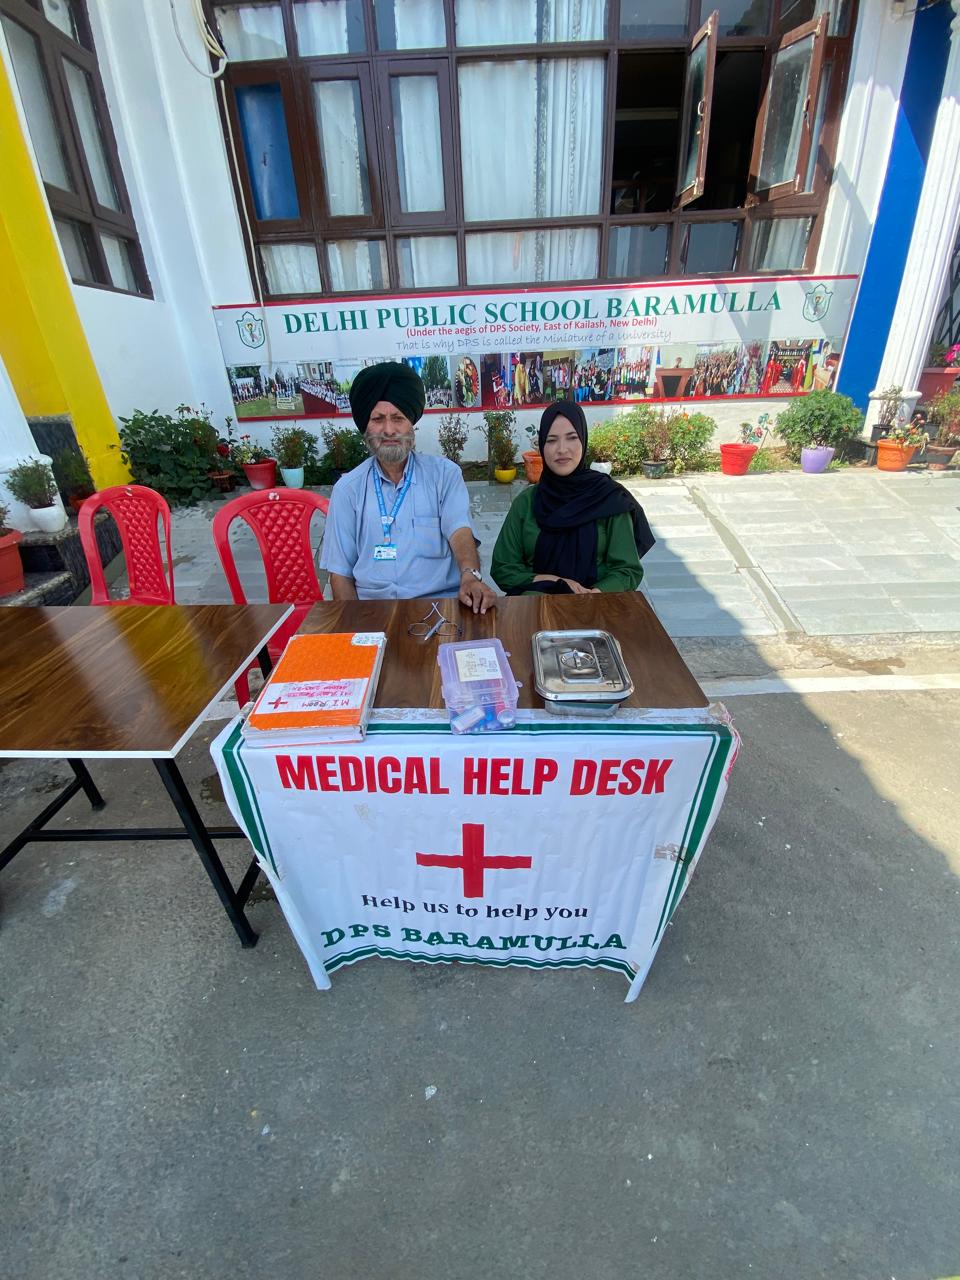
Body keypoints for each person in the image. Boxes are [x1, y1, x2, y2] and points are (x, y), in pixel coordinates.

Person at [320, 361, 497, 613]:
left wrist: (470, 575)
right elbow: (340, 573)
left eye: (398, 418)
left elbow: (459, 530)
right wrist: (357, 625)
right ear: (365, 427)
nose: (389, 430)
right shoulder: (347, 490)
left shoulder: (444, 475)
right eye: (378, 419)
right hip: (373, 610)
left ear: (411, 423)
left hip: (440, 608)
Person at [490, 401, 654, 596]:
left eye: (572, 437)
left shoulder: (609, 499)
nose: (562, 449)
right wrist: (551, 581)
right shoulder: (526, 503)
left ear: (583, 440)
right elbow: (503, 568)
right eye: (552, 440)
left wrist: (594, 595)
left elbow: (627, 570)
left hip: (598, 604)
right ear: (542, 446)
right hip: (536, 605)